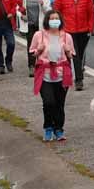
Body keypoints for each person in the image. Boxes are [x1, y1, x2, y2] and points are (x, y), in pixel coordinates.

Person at [28, 11, 74, 142]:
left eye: (57, 18)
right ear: (47, 20)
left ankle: (59, 129)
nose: (54, 21)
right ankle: (48, 127)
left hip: (61, 74)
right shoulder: (39, 35)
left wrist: (67, 50)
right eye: (52, 18)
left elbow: (71, 56)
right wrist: (39, 50)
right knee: (48, 102)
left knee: (60, 104)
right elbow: (32, 53)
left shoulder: (67, 37)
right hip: (45, 74)